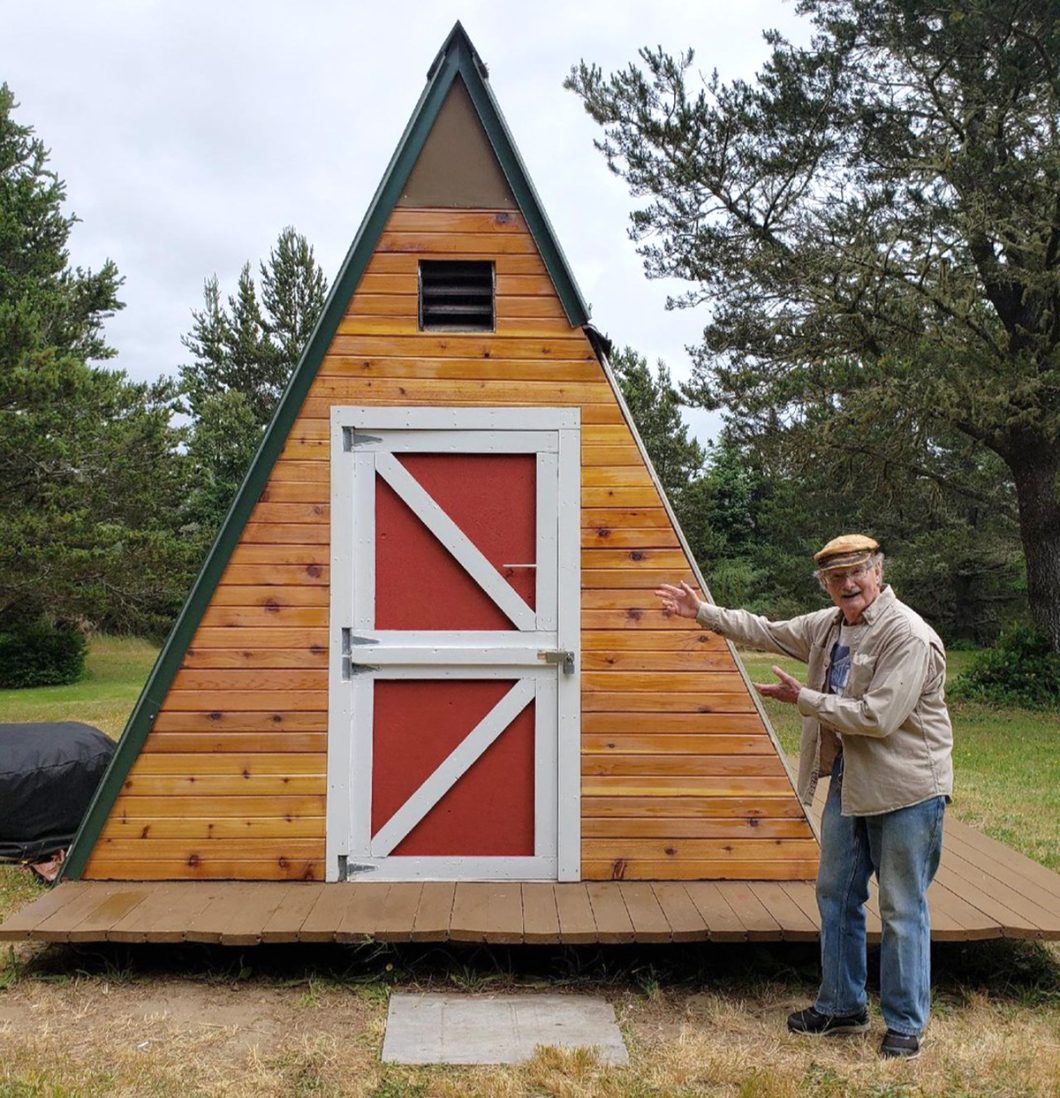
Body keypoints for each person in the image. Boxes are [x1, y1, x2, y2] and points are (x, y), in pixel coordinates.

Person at [656, 534, 953, 1060]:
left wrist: (805, 699)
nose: (847, 584)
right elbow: (767, 631)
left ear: (878, 573)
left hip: (907, 789)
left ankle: (906, 1024)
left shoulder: (907, 635)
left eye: (857, 572)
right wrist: (700, 611)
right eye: (835, 577)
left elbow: (878, 718)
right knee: (835, 892)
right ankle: (842, 1005)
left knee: (902, 905)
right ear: (826, 584)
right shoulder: (829, 626)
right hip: (850, 781)